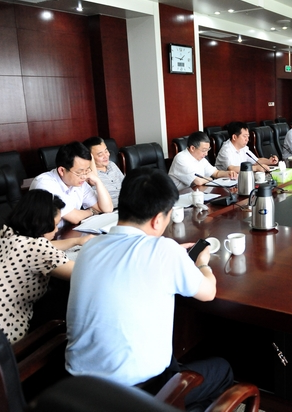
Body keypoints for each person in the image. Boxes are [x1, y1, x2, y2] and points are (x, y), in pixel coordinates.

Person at [65, 167, 233, 411]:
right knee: (223, 370)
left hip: (78, 386)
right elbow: (208, 292)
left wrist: (173, 256)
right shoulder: (165, 251)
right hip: (135, 392)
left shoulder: (91, 247)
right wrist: (202, 263)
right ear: (157, 219)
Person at [0, 190, 91, 343]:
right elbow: (85, 274)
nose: (56, 230)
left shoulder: (0, 236)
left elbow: (36, 247)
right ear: (40, 224)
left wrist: (76, 241)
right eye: (54, 225)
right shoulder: (37, 249)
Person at [30, 141, 113, 228]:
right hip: (46, 235)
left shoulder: (79, 181)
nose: (84, 176)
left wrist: (97, 181)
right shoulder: (45, 184)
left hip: (68, 231)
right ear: (62, 171)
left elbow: (107, 209)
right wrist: (91, 211)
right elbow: (75, 217)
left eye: (87, 170)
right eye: (79, 172)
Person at [168, 131, 238, 190]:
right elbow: (198, 182)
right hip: (179, 196)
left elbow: (216, 173)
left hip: (196, 192)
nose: (206, 154)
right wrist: (210, 179)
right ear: (192, 148)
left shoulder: (200, 158)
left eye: (208, 150)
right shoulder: (181, 158)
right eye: (204, 150)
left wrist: (228, 173)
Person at [83, 136, 124, 208]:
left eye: (106, 151)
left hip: (127, 204)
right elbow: (92, 181)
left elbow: (125, 185)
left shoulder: (112, 164)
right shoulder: (87, 173)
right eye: (100, 154)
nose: (106, 156)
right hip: (110, 209)